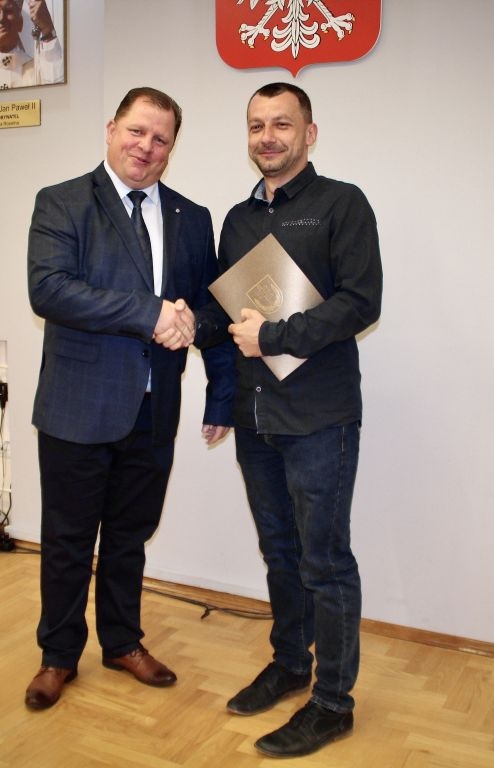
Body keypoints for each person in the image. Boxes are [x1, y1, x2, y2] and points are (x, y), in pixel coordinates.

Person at [25, 86, 235, 710]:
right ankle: (58, 655)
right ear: (111, 128)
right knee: (67, 542)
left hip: (153, 410)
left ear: (172, 148)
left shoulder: (192, 217)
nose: (146, 146)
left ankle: (121, 642)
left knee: (128, 537)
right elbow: (50, 290)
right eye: (137, 131)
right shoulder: (62, 201)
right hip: (76, 407)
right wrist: (151, 314)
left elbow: (213, 311)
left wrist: (219, 391)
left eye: (161, 138)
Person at [219, 83, 382, 757]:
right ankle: (290, 663)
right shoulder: (236, 220)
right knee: (280, 552)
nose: (268, 136)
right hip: (256, 416)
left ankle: (333, 703)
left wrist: (276, 336)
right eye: (257, 125)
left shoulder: (343, 203)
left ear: (309, 133)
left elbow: (360, 302)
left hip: (320, 419)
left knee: (325, 561)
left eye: (282, 124)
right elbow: (228, 321)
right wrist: (219, 399)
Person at [0, 0, 63, 89]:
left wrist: (47, 30)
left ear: (20, 23)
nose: (1, 18)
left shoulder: (39, 70)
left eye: (8, 11)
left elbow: (57, 90)